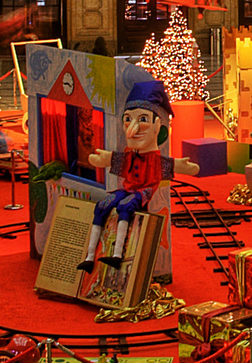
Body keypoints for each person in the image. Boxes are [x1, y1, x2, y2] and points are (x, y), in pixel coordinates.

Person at [77, 80, 199, 272]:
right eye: (128, 119)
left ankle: (117, 254)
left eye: (143, 119)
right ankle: (89, 257)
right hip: (127, 188)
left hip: (144, 191)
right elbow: (113, 160)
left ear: (156, 125)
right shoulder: (128, 156)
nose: (134, 128)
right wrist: (104, 159)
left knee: (126, 207)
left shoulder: (156, 160)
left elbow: (176, 167)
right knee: (102, 205)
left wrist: (183, 166)